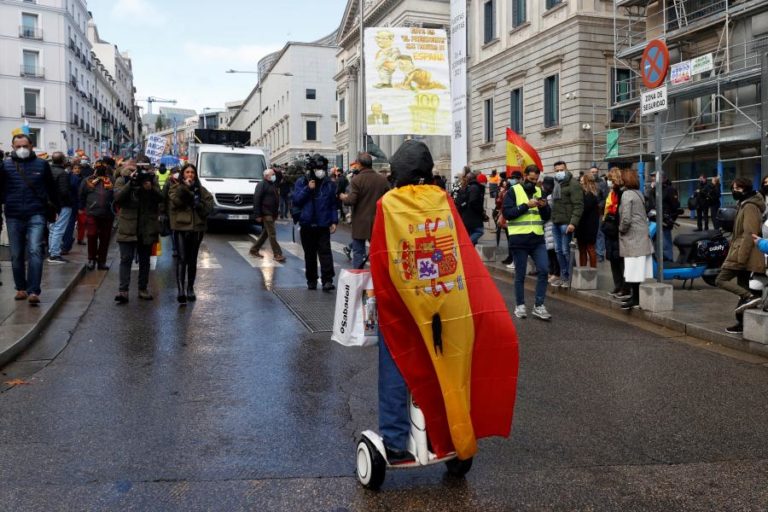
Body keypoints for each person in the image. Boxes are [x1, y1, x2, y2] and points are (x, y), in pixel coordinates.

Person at [0, 134, 59, 304]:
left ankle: (33, 291)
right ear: (12, 147)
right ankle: (21, 288)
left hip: (36, 213)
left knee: (35, 250)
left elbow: (51, 188)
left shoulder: (42, 164)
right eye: (18, 146)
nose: (22, 149)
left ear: (31, 146)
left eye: (24, 146)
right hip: (13, 214)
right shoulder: (5, 165)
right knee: (16, 253)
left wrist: (56, 207)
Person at [716, 178, 766, 334]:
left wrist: (741, 257)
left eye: (737, 188)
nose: (734, 191)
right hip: (741, 251)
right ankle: (742, 323)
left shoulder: (750, 206)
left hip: (743, 253)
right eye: (733, 188)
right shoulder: (743, 203)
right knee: (742, 285)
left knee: (721, 280)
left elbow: (749, 233)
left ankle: (750, 297)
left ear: (745, 189)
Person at [503, 164, 552, 320]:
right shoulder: (513, 190)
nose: (534, 182)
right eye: (531, 179)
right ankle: (520, 305)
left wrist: (544, 207)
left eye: (536, 179)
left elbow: (546, 216)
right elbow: (507, 213)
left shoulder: (539, 191)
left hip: (537, 238)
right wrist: (526, 205)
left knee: (544, 270)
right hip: (519, 239)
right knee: (520, 274)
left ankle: (539, 305)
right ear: (524, 176)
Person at [113, 158, 164, 304]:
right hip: (128, 225)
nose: (139, 170)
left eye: (142, 167)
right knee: (125, 259)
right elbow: (117, 198)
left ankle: (143, 289)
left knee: (145, 260)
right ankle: (123, 291)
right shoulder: (122, 179)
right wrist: (131, 183)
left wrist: (150, 188)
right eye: (136, 167)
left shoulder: (151, 179)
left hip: (146, 226)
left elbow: (161, 198)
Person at [292, 154, 338, 291]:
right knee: (310, 254)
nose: (320, 171)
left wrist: (334, 221)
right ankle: (311, 280)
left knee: (325, 253)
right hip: (307, 223)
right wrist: (308, 188)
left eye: (322, 168)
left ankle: (327, 280)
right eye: (318, 169)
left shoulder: (328, 183)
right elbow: (296, 200)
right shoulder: (302, 181)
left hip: (323, 223)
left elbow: (333, 204)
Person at [169, 163, 213, 304]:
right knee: (182, 258)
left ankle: (190, 288)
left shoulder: (201, 190)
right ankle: (181, 290)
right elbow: (176, 202)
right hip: (181, 227)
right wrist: (186, 189)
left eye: (192, 172)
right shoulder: (175, 188)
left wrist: (199, 204)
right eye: (187, 172)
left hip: (196, 228)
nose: (190, 175)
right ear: (183, 174)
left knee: (192, 259)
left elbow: (209, 206)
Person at [340, 152, 391, 269]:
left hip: (360, 221)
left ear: (360, 164)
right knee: (377, 251)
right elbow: (389, 199)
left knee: (358, 252)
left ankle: (358, 277)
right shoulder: (382, 180)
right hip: (377, 220)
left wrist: (343, 197)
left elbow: (351, 200)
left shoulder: (357, 180)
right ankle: (377, 274)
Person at [618, 169, 654, 310]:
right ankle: (635, 297)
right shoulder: (638, 193)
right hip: (641, 235)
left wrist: (621, 229)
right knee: (637, 269)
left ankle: (635, 299)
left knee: (633, 269)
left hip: (632, 237)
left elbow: (626, 218)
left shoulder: (627, 194)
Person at [550, 161, 583, 288]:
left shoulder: (573, 184)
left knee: (566, 251)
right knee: (558, 250)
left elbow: (578, 205)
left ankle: (570, 277)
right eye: (557, 170)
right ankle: (564, 277)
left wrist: (573, 223)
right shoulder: (556, 183)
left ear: (566, 169)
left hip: (566, 223)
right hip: (556, 222)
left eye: (561, 170)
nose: (559, 172)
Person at [79, 160, 114, 271]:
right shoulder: (88, 180)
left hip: (107, 214)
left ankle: (102, 261)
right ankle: (91, 259)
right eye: (98, 167)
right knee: (91, 235)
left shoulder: (111, 180)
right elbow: (81, 195)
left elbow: (116, 195)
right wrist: (81, 208)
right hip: (92, 213)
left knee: (105, 238)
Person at [603, 167, 630, 299]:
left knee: (620, 261)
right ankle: (617, 285)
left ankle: (625, 287)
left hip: (618, 230)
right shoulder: (612, 192)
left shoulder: (623, 193)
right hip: (610, 230)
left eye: (610, 180)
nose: (609, 182)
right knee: (613, 259)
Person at [250, 168, 285, 262]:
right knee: (272, 234)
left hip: (272, 213)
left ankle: (254, 250)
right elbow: (256, 199)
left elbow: (280, 176)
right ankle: (277, 254)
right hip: (266, 212)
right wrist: (257, 214)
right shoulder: (261, 184)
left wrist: (275, 170)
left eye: (274, 174)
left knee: (266, 233)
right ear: (266, 176)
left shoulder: (272, 184)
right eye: (272, 174)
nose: (274, 176)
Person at [47, 152, 72, 264]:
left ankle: (52, 251)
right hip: (62, 204)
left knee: (53, 228)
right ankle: (55, 254)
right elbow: (64, 191)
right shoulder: (63, 173)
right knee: (58, 229)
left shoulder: (48, 171)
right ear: (63, 160)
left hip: (51, 204)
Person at [576, 174, 600, 268]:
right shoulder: (586, 193)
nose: (580, 182)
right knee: (583, 249)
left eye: (582, 181)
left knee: (589, 248)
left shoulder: (590, 195)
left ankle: (592, 271)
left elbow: (584, 208)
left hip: (589, 226)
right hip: (583, 226)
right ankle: (583, 270)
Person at [62, 162, 84, 254]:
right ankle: (66, 245)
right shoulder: (75, 179)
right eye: (75, 168)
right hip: (73, 204)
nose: (77, 170)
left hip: (67, 204)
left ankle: (66, 243)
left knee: (67, 224)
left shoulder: (71, 177)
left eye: (78, 168)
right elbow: (79, 194)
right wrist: (80, 206)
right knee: (69, 225)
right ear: (72, 169)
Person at [460, 171, 485, 245]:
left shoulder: (468, 187)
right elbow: (473, 202)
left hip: (468, 215)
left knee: (472, 234)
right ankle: (466, 245)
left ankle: (468, 247)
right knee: (479, 231)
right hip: (472, 215)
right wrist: (481, 211)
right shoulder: (474, 187)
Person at [590, 166, 608, 261]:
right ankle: (593, 253)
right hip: (589, 212)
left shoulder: (602, 183)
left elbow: (606, 197)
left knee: (599, 233)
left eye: (595, 172)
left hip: (599, 211)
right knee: (592, 232)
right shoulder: (588, 182)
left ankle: (600, 254)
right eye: (592, 172)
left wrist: (599, 205)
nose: (594, 173)